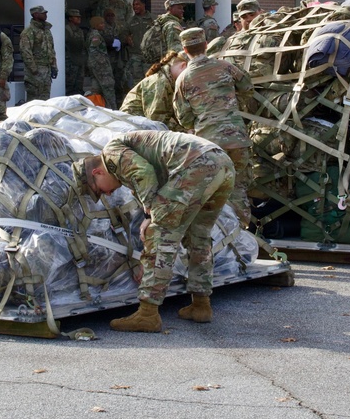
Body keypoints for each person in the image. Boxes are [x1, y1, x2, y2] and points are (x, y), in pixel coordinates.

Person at [74, 130, 235, 332]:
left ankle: (148, 314)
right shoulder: (124, 161)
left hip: (197, 164)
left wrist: (151, 217)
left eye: (99, 190)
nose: (107, 193)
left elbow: (145, 173)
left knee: (159, 235)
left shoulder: (112, 153)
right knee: (198, 236)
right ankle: (201, 305)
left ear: (97, 173)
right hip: (221, 163)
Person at [173, 27, 255, 227]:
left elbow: (183, 117)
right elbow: (247, 87)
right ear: (206, 45)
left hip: (209, 144)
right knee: (238, 187)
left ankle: (221, 235)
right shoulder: (225, 66)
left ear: (185, 49)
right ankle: (243, 232)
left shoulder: (183, 79)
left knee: (212, 191)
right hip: (236, 138)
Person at [120, 50, 188, 131]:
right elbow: (156, 122)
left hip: (141, 127)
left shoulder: (170, 82)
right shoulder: (160, 82)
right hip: (132, 128)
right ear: (183, 66)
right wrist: (185, 132)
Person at [19, 5, 58, 102]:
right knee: (34, 101)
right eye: (43, 13)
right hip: (35, 72)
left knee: (45, 100)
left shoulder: (47, 31)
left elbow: (51, 50)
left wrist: (54, 66)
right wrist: (34, 70)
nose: (46, 15)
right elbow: (26, 52)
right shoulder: (29, 31)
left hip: (47, 70)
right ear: (35, 15)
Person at [86, 15, 117, 109]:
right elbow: (94, 51)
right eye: (101, 23)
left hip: (95, 66)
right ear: (95, 25)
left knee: (96, 88)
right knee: (108, 87)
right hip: (101, 67)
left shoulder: (92, 34)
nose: (103, 25)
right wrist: (103, 65)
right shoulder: (96, 36)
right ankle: (113, 110)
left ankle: (95, 108)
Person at [102, 7, 130, 104]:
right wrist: (111, 42)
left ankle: (119, 103)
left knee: (119, 82)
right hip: (107, 59)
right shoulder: (102, 26)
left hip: (119, 59)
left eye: (112, 15)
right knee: (109, 83)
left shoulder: (119, 26)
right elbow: (101, 39)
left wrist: (121, 42)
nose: (110, 17)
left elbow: (124, 38)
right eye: (108, 15)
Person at [126, 0, 155, 88]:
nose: (135, 7)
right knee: (136, 81)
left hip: (149, 56)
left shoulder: (153, 19)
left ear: (143, 5)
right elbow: (123, 33)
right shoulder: (130, 21)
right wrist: (127, 38)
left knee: (150, 79)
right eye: (134, 5)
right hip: (135, 55)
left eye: (137, 4)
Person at [65, 9, 87, 96]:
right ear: (70, 18)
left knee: (79, 87)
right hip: (70, 63)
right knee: (70, 87)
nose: (79, 18)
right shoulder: (66, 30)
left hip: (79, 62)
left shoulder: (80, 31)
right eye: (76, 17)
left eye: (79, 17)